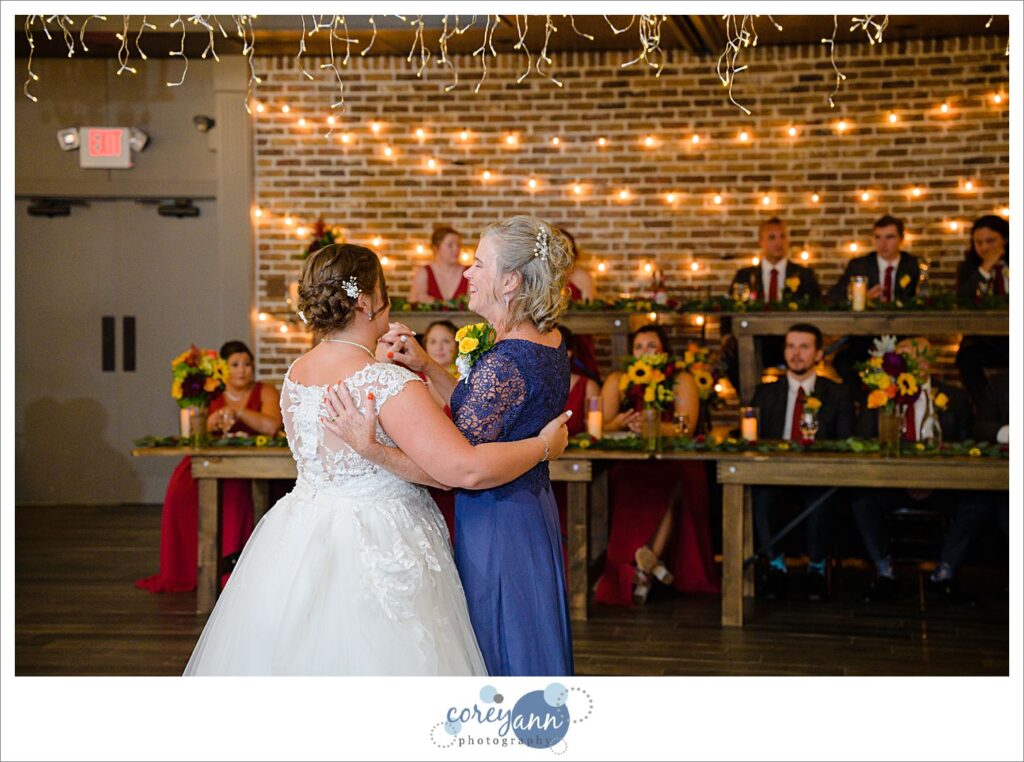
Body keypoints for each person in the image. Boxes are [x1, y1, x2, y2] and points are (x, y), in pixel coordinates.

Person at [183, 243, 571, 675]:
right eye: (385, 288)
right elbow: (455, 471)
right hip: (383, 542)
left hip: (300, 534)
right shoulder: (385, 381)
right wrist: (542, 445)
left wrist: (421, 366)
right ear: (366, 302)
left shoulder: (297, 372)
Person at [371, 216, 577, 676]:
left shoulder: (504, 363)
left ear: (510, 281)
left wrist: (374, 450)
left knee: (502, 638)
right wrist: (427, 364)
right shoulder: (545, 340)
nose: (467, 273)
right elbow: (486, 409)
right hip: (529, 506)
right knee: (527, 634)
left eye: (479, 264)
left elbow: (461, 463)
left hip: (497, 520)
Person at [136, 341, 281, 593]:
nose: (242, 370)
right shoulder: (210, 391)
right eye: (235, 365)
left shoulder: (265, 390)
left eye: (247, 364)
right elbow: (195, 429)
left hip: (252, 462)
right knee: (181, 490)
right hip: (212, 460)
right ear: (223, 368)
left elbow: (271, 426)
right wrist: (217, 419)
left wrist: (237, 412)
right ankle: (191, 567)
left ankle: (236, 566)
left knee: (238, 492)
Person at [594, 325, 719, 606]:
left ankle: (645, 562)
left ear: (663, 350)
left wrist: (654, 427)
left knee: (674, 484)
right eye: (639, 347)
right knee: (629, 480)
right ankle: (645, 565)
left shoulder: (680, 379)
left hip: (673, 457)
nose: (644, 353)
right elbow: (602, 424)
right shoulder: (619, 379)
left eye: (651, 346)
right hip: (630, 460)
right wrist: (623, 423)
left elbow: (685, 426)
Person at [850, 338, 981, 603]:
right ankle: (885, 572)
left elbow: (968, 444)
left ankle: (944, 573)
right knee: (860, 500)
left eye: (919, 356)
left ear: (929, 361)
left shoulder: (953, 397)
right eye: (905, 357)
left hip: (942, 486)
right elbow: (863, 440)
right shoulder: (879, 394)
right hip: (890, 485)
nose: (913, 363)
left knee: (979, 501)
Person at [749, 324, 853, 601]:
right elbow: (752, 438)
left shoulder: (838, 393)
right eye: (790, 347)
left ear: (819, 355)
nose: (796, 354)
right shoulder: (765, 393)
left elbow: (845, 441)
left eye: (804, 347)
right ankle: (775, 566)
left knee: (821, 497)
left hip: (819, 474)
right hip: (774, 475)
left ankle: (817, 569)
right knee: (762, 496)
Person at [827, 215, 922, 397]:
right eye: (877, 237)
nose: (882, 244)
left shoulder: (912, 265)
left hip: (902, 334)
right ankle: (866, 406)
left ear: (901, 239)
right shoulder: (860, 265)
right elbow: (833, 297)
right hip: (865, 335)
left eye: (889, 237)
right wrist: (859, 298)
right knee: (845, 363)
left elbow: (921, 300)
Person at [724, 218, 822, 389]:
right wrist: (725, 335)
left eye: (782, 237)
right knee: (733, 357)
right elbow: (729, 308)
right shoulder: (745, 276)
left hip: (791, 340)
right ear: (761, 242)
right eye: (772, 237)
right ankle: (753, 404)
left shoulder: (804, 275)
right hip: (755, 339)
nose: (778, 242)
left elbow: (816, 308)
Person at [955, 214, 1010, 413]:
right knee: (967, 358)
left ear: (1005, 239)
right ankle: (987, 411)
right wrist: (986, 268)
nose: (984, 247)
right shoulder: (968, 269)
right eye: (978, 242)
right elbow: (962, 299)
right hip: (984, 339)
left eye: (990, 241)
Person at [421, 319, 460, 538]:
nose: (440, 347)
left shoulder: (466, 381)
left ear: (456, 346)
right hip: (422, 473)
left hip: (456, 474)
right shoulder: (412, 381)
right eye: (434, 341)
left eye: (446, 341)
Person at [407, 225, 468, 303]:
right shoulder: (424, 272)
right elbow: (413, 304)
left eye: (458, 245)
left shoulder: (469, 272)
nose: (456, 249)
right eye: (450, 245)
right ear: (436, 248)